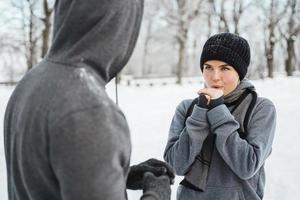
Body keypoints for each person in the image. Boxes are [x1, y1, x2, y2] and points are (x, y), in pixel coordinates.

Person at [4, 0, 174, 199]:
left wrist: (120, 175)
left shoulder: (31, 81)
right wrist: (156, 194)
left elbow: (48, 174)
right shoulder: (88, 109)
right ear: (120, 22)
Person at [164, 32, 276, 200]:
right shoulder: (188, 108)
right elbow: (175, 166)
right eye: (208, 67)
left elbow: (247, 165)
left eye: (225, 68)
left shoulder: (260, 108)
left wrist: (217, 110)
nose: (215, 77)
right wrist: (200, 114)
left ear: (240, 72)